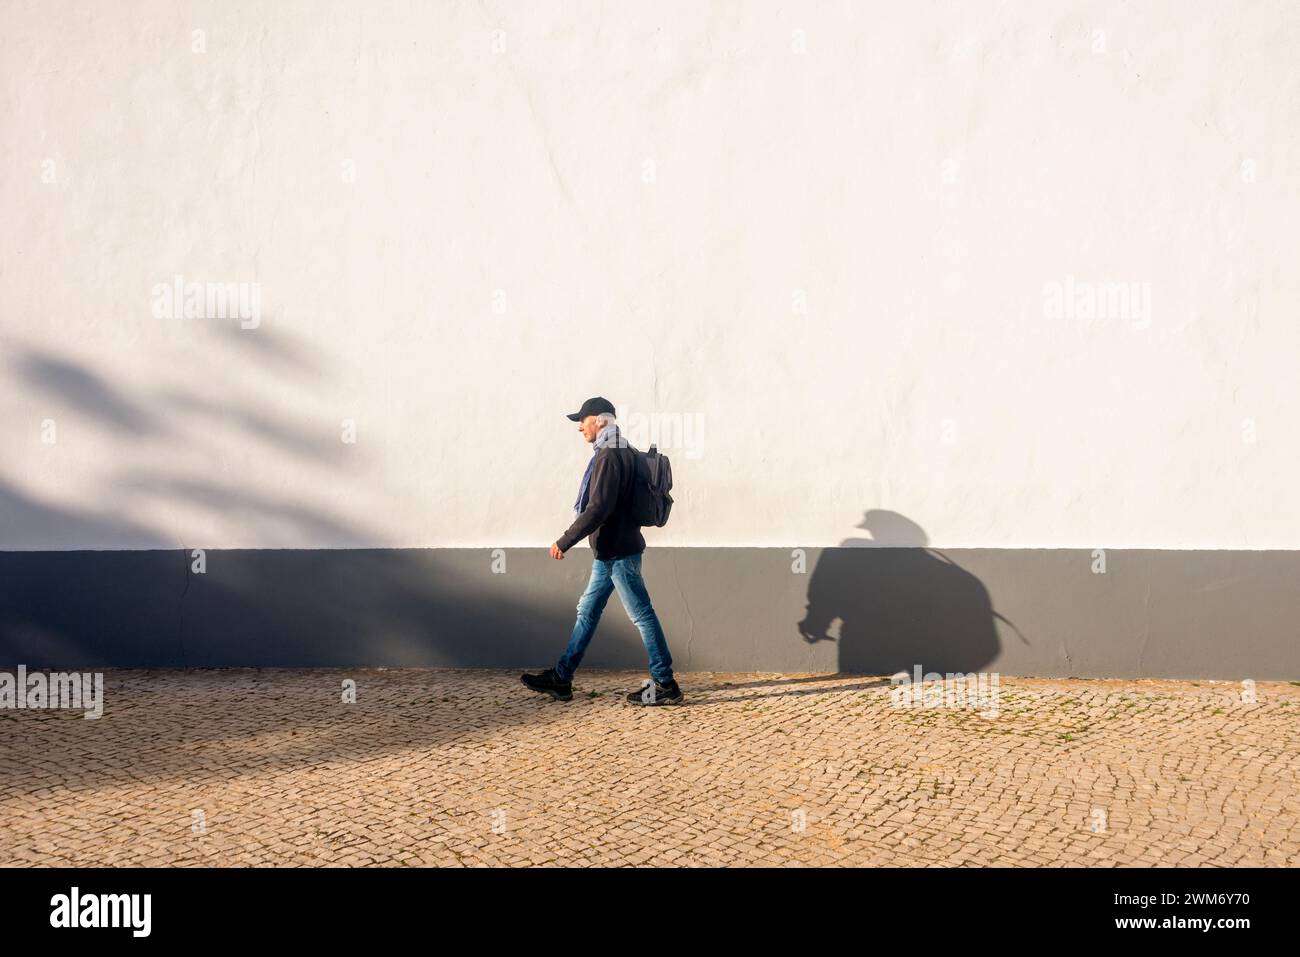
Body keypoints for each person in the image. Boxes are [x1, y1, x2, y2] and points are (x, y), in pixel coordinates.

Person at [521, 396, 682, 705]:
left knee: (641, 615)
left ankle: (665, 685)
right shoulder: (623, 449)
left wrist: (564, 541)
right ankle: (562, 678)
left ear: (601, 420)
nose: (580, 426)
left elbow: (598, 509)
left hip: (618, 553)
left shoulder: (610, 454)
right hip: (612, 551)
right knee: (588, 612)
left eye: (584, 420)